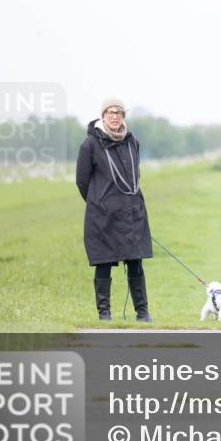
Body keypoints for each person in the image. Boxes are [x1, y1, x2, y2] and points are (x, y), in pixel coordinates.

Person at [76, 98, 153, 322]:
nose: (114, 116)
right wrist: (99, 201)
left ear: (123, 117)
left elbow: (134, 175)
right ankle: (104, 314)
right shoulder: (89, 144)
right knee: (103, 263)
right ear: (103, 115)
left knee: (135, 261)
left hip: (131, 212)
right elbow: (82, 181)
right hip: (102, 215)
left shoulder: (132, 142)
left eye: (119, 113)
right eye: (110, 112)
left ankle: (143, 312)